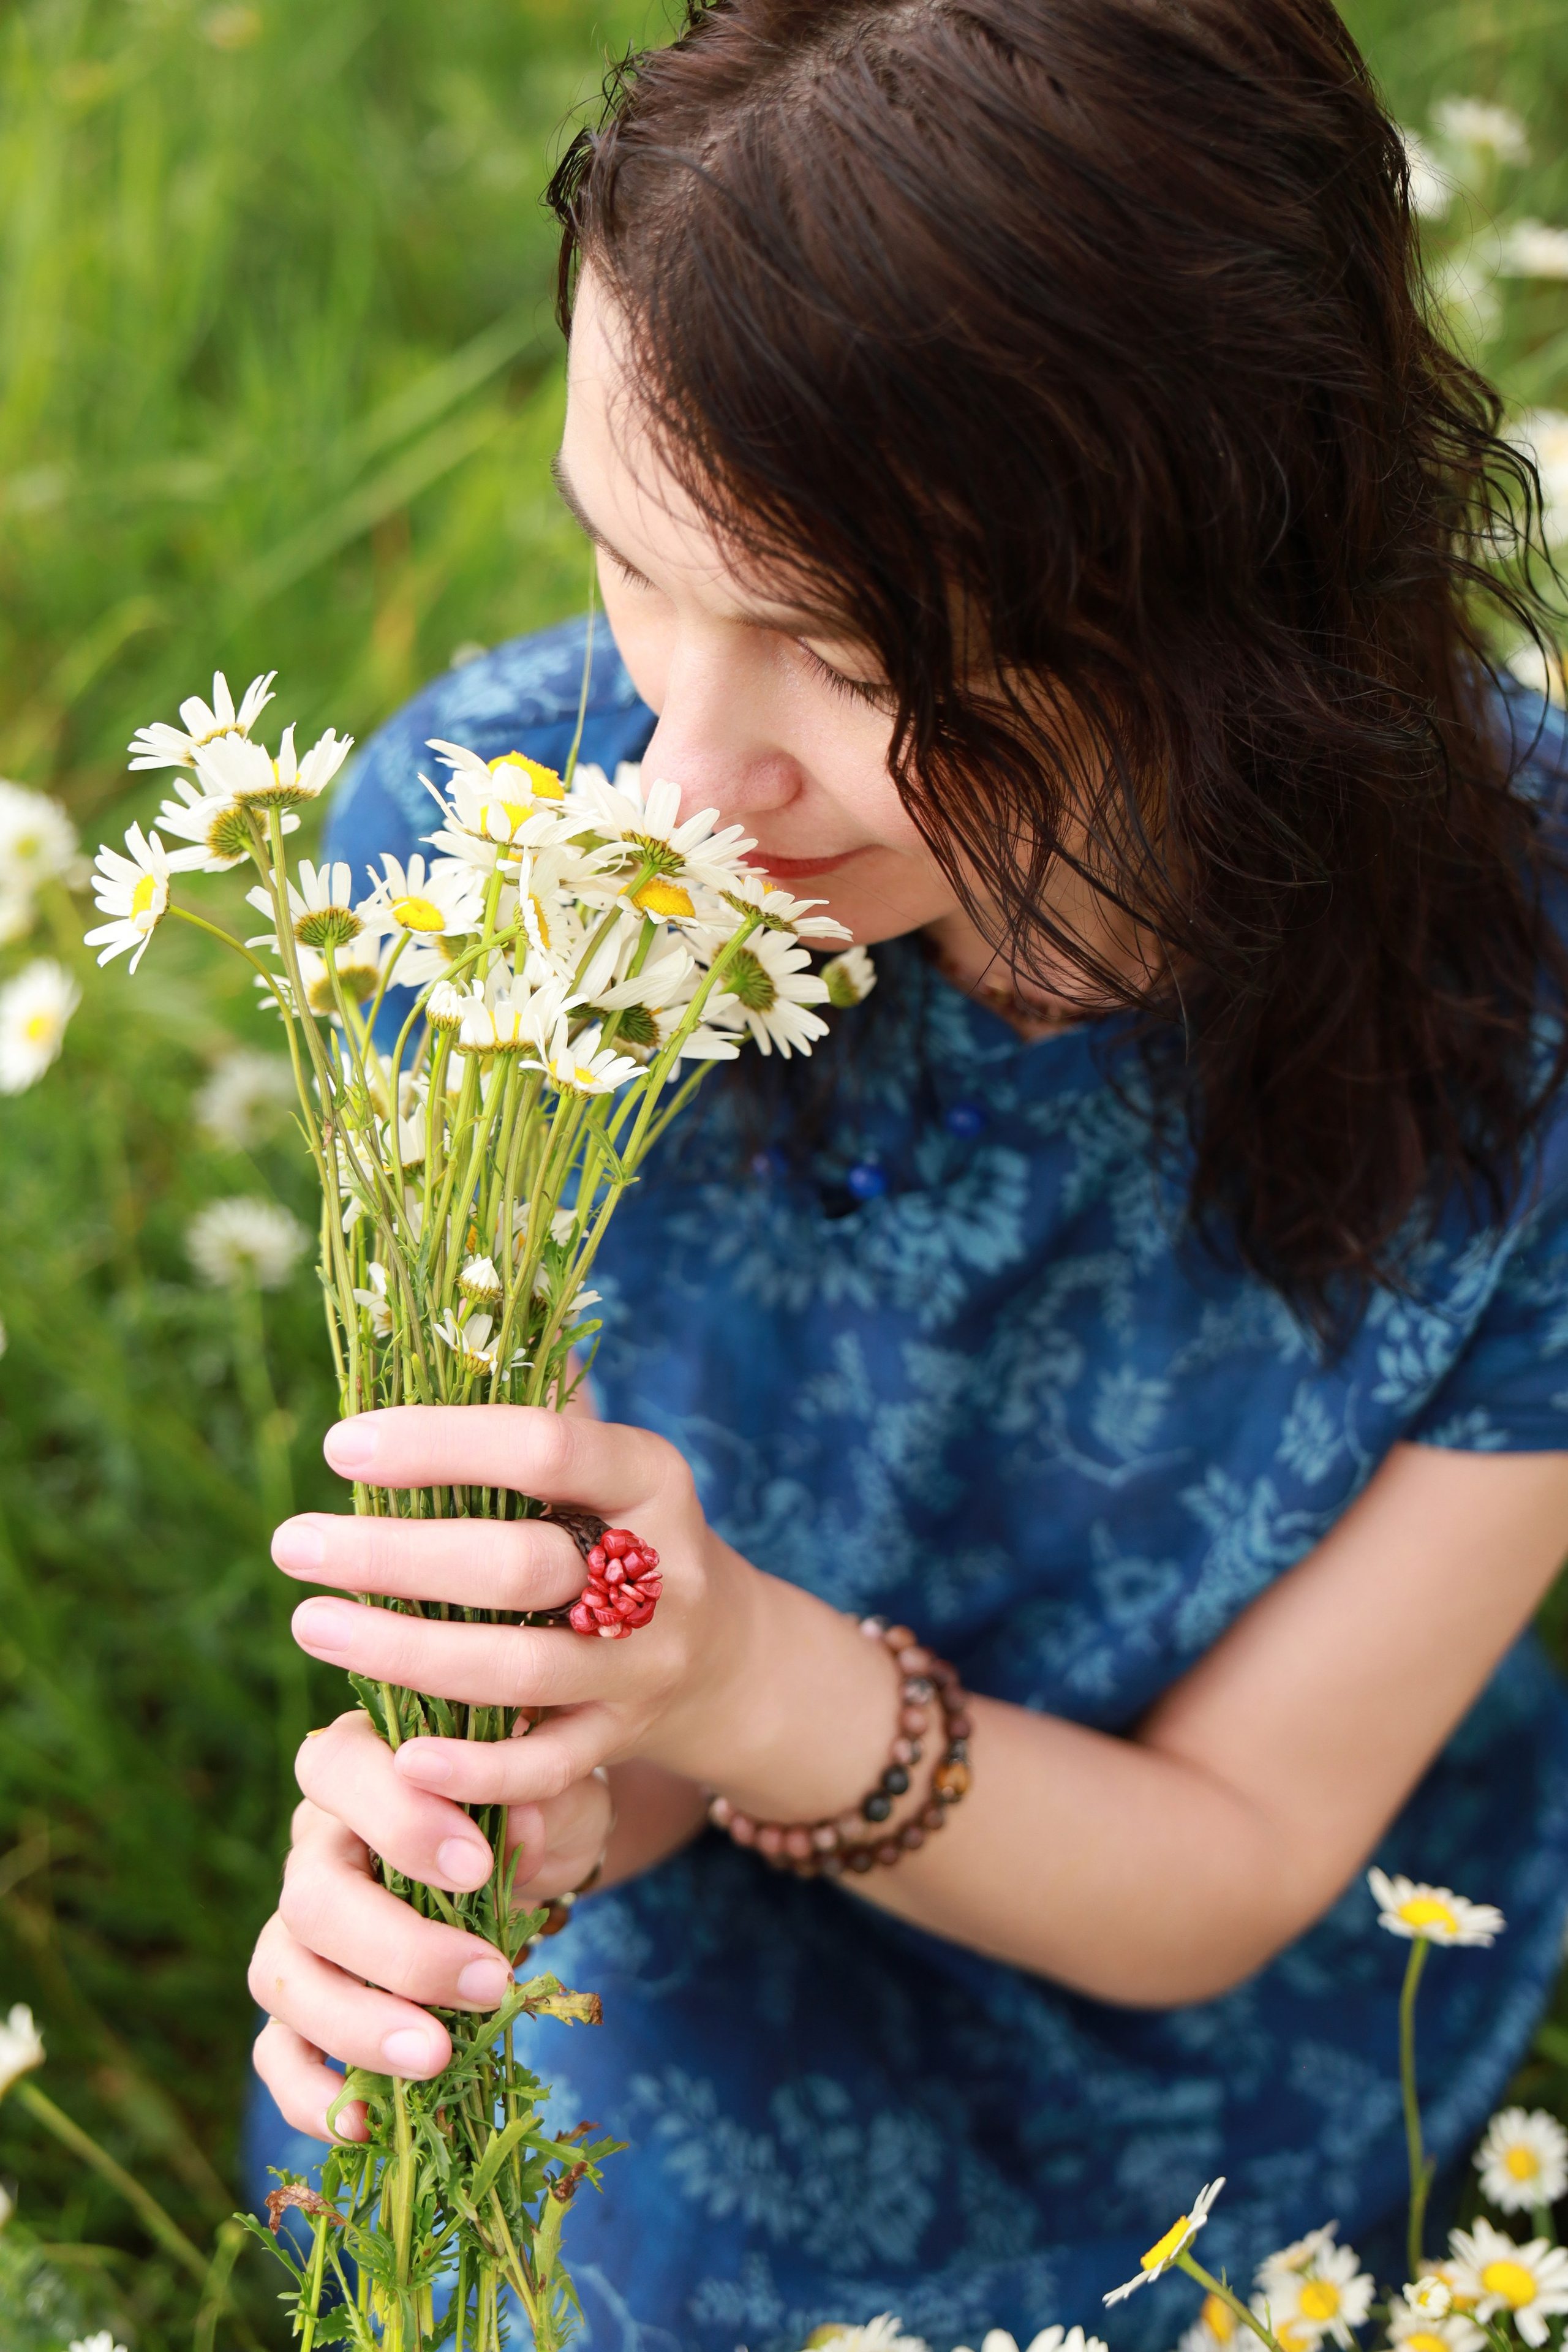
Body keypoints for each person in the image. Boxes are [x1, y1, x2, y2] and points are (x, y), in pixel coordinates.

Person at [244, 1, 1568, 2345]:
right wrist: (517, 1814)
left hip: (1182, 1921)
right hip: (694, 1869)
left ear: (1233, 589)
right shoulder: (487, 868)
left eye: (847, 650)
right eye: (633, 568)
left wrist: (744, 1670)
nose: (685, 778)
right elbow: (593, 1669)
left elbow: (1237, 1860)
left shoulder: (1535, 987)